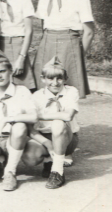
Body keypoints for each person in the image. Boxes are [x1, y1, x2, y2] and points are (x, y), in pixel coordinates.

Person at [33, 0, 95, 97]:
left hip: (69, 44)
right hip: (47, 42)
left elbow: (89, 31)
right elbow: (43, 25)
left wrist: (79, 55)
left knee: (67, 91)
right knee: (44, 89)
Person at [0, 50, 38, 191]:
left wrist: (7, 119)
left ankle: (10, 171)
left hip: (13, 139)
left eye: (2, 71)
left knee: (20, 127)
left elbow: (34, 117)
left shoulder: (21, 91)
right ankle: (0, 160)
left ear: (10, 71)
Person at [21, 58, 80, 189]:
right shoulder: (36, 96)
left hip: (67, 138)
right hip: (44, 137)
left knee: (58, 123)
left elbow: (68, 115)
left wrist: (39, 116)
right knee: (29, 158)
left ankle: (57, 171)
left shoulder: (71, 91)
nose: (55, 82)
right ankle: (49, 161)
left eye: (59, 78)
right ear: (43, 79)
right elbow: (30, 127)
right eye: (50, 78)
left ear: (65, 79)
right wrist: (48, 144)